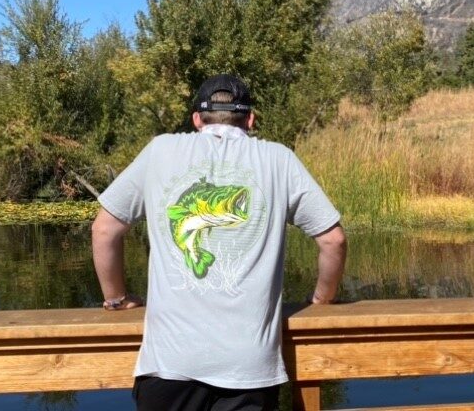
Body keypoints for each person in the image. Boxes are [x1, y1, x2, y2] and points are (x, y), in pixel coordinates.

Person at [92, 73, 347, 411]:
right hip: (250, 369)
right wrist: (321, 298)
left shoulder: (160, 151)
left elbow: (104, 230)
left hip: (169, 367)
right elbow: (333, 240)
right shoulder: (279, 159)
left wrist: (116, 298)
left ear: (197, 119)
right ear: (251, 120)